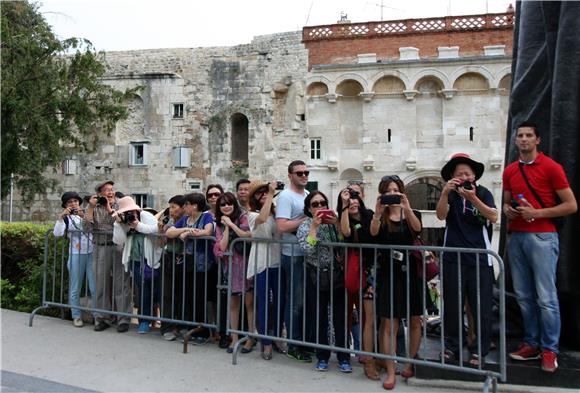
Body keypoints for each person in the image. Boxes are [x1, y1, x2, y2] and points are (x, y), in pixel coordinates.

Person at [503, 121, 577, 373]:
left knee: (546, 297)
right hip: (517, 236)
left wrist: (538, 212)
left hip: (543, 236)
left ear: (537, 140)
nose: (523, 139)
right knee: (523, 296)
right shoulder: (511, 170)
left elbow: (571, 205)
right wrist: (509, 211)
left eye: (528, 135)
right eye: (520, 135)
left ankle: (550, 349)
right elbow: (505, 203)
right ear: (515, 140)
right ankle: (531, 343)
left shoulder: (551, 167)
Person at [436, 153, 498, 367]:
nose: (464, 177)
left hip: (480, 258)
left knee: (481, 306)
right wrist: (445, 193)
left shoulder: (483, 192)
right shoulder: (451, 194)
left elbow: (493, 216)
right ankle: (451, 346)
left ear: (474, 176)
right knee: (452, 304)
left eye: (468, 173)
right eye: (459, 174)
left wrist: (473, 198)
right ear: (452, 177)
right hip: (453, 256)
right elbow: (441, 216)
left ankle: (478, 350)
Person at [370, 175, 423, 390]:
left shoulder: (412, 212)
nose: (392, 193)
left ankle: (409, 363)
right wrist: (377, 213)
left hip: (410, 273)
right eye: (388, 190)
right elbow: (373, 234)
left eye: (396, 189)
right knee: (389, 324)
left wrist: (407, 207)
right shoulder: (380, 218)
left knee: (415, 320)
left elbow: (417, 229)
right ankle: (391, 371)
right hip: (389, 274)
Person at [297, 190, 352, 373]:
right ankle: (322, 357)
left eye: (323, 203)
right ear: (308, 208)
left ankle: (344, 357)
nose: (320, 207)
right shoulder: (305, 226)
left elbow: (345, 242)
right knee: (320, 319)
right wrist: (314, 226)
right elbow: (307, 249)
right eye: (315, 204)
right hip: (316, 276)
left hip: (336, 275)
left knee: (340, 318)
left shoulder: (332, 224)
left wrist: (336, 223)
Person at [337, 187, 379, 380]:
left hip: (372, 271)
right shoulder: (344, 218)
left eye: (355, 199)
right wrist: (344, 208)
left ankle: (369, 355)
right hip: (354, 272)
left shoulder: (369, 215)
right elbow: (345, 232)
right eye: (349, 199)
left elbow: (375, 233)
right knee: (351, 314)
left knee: (369, 316)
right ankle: (353, 354)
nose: (353, 202)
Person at [165, 193, 216, 343]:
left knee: (200, 298)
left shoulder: (205, 217)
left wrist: (189, 233)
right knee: (189, 297)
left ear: (194, 205)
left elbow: (207, 231)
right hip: (188, 263)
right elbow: (169, 232)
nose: (185, 207)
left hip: (203, 264)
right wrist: (185, 229)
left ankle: (202, 331)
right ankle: (192, 328)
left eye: (186, 204)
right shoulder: (185, 219)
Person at [276, 160, 312, 362]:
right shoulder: (285, 197)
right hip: (292, 254)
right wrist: (308, 221)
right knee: (295, 301)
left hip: (306, 253)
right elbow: (282, 227)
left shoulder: (307, 195)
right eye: (299, 173)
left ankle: (304, 342)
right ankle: (293, 344)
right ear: (290, 175)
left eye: (306, 172)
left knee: (304, 301)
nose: (304, 176)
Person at [84, 180, 132, 333]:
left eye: (112, 189)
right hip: (101, 247)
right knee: (101, 284)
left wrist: (109, 208)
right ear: (99, 194)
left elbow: (123, 223)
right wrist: (91, 207)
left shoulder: (121, 205)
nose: (110, 193)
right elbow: (86, 227)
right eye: (106, 190)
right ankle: (102, 317)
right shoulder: (93, 207)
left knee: (121, 284)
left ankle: (123, 319)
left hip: (118, 247)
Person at [213, 192, 255, 353]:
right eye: (223, 204)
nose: (226, 206)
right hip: (230, 268)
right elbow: (222, 248)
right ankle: (234, 337)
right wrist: (225, 227)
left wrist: (231, 224)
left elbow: (247, 235)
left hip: (246, 264)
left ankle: (251, 338)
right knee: (234, 304)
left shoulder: (243, 218)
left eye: (229, 203)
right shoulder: (218, 224)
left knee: (249, 303)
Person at [112, 196, 162, 334]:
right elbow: (119, 241)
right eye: (126, 212)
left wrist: (137, 225)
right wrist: (118, 224)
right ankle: (144, 321)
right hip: (136, 260)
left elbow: (156, 229)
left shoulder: (145, 215)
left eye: (132, 211)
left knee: (157, 291)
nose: (130, 214)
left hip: (151, 259)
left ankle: (163, 322)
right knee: (143, 291)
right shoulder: (123, 221)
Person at [246, 180, 284, 360]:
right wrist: (270, 194)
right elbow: (261, 219)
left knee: (279, 302)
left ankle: (276, 337)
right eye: (259, 192)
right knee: (262, 303)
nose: (264, 194)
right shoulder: (252, 214)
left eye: (266, 191)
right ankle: (265, 342)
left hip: (277, 260)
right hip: (261, 262)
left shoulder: (277, 213)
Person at [53, 191, 95, 328]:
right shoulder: (66, 218)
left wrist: (84, 216)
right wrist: (60, 218)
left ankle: (97, 314)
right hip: (76, 253)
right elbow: (57, 233)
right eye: (70, 202)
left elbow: (95, 226)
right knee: (75, 287)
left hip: (91, 252)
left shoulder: (86, 213)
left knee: (94, 286)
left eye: (75, 201)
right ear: (65, 205)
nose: (74, 204)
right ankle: (76, 315)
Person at [156, 195, 186, 341]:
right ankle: (166, 327)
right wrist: (161, 231)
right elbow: (162, 244)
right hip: (168, 258)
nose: (171, 210)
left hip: (183, 260)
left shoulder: (186, 221)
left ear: (183, 207)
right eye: (170, 207)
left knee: (180, 295)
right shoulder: (169, 222)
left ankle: (178, 326)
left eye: (174, 207)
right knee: (166, 294)